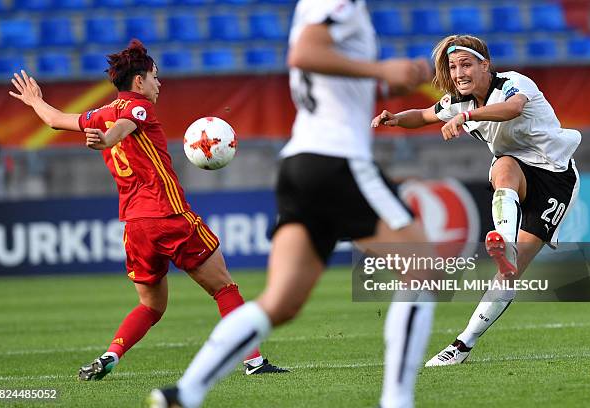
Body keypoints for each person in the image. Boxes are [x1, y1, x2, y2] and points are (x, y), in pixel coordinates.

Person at [149, 1, 436, 407]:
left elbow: (323, 70)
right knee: (423, 266)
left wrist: (386, 82)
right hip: (337, 159)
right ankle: (397, 401)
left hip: (300, 163)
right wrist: (382, 71)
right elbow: (304, 53)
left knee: (280, 303)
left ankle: (185, 391)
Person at [8, 39, 287, 380]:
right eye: (155, 76)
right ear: (138, 81)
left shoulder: (101, 114)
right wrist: (108, 139)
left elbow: (55, 119)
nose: (159, 83)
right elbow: (125, 127)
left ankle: (111, 355)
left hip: (134, 225)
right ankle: (254, 362)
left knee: (151, 306)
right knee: (225, 288)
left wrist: (36, 101)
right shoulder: (139, 108)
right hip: (168, 216)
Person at [371, 34, 581, 366]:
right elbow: (426, 115)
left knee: (510, 276)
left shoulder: (513, 83)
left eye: (466, 64)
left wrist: (468, 118)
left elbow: (513, 109)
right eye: (453, 67)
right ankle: (460, 348)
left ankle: (467, 338)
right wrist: (397, 118)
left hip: (556, 179)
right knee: (504, 165)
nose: (458, 73)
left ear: (485, 65)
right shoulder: (457, 101)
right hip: (516, 171)